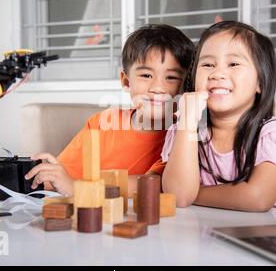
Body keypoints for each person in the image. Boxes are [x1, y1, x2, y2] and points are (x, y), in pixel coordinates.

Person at [24, 24, 195, 197]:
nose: (158, 88)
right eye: (146, 75)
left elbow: (155, 185)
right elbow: (60, 179)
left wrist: (77, 188)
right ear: (126, 81)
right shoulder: (101, 123)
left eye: (171, 78)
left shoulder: (181, 137)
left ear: (185, 87)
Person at [161, 21, 276, 212]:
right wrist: (187, 123)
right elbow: (179, 197)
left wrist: (193, 193)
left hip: (263, 236)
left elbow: (257, 198)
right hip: (201, 235)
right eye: (208, 64)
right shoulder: (182, 131)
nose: (217, 73)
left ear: (261, 83)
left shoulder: (275, 134)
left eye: (233, 64)